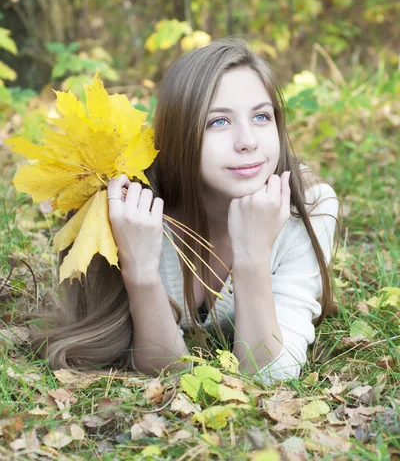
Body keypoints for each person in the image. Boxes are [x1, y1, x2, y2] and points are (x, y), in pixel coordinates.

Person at [34, 37, 339, 384]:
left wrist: (253, 257)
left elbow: (269, 374)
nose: (248, 141)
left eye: (261, 116)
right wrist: (141, 272)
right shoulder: (134, 208)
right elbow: (163, 369)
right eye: (218, 122)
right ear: (181, 134)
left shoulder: (308, 207)